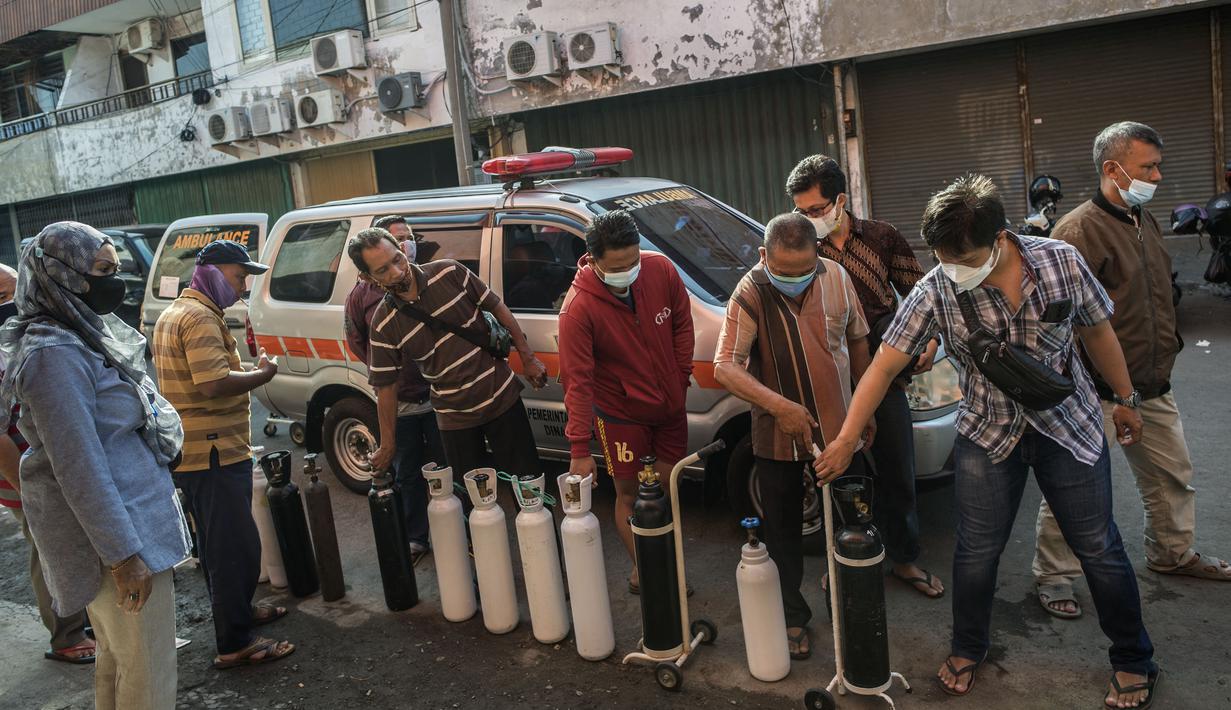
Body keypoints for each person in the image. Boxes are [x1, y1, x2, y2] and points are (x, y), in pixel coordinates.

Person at [815, 175, 1159, 708]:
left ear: (1001, 237)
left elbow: (1097, 332)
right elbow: (883, 368)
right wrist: (845, 438)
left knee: (1098, 547)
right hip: (987, 433)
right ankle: (968, 647)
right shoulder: (937, 287)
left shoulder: (1060, 261)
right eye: (943, 258)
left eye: (963, 257)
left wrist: (1125, 399)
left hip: (1069, 426)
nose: (953, 269)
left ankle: (1134, 658)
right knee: (976, 552)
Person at [1030, 121, 1230, 623]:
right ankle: (1054, 575)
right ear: (1112, 169)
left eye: (1157, 165)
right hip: (1096, 393)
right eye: (1148, 167)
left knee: (1171, 475)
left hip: (1152, 384)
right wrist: (1114, 392)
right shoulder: (1076, 232)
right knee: (1074, 490)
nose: (1158, 176)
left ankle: (1171, 553)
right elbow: (1063, 326)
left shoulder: (1144, 218)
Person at [0, 222, 190, 709]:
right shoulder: (54, 355)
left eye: (116, 269)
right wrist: (123, 556)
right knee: (146, 671)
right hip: (121, 542)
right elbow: (78, 467)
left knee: (119, 662)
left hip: (130, 528)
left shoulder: (79, 336)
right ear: (62, 275)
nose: (114, 281)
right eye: (102, 270)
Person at [713, 212, 872, 661]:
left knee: (853, 523)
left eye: (804, 271)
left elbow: (858, 341)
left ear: (817, 255)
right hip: (777, 436)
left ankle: (843, 600)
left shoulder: (839, 278)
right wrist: (780, 406)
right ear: (764, 257)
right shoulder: (750, 291)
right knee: (782, 532)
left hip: (842, 432)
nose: (796, 281)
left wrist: (864, 406)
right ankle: (793, 616)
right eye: (783, 273)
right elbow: (725, 365)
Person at [786, 155, 944, 599]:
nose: (809, 220)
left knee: (898, 471)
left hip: (885, 374)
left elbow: (922, 295)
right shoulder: (801, 246)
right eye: (801, 212)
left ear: (839, 201)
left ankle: (905, 559)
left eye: (816, 210)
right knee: (841, 477)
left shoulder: (881, 237)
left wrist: (929, 343)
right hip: (828, 380)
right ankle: (847, 559)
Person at [152, 239, 294, 670]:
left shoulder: (176, 310)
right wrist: (260, 374)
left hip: (195, 452)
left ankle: (237, 613)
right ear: (212, 272)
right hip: (212, 451)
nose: (243, 286)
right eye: (239, 276)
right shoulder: (197, 317)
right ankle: (235, 642)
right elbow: (212, 382)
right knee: (235, 547)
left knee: (218, 546)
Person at [349, 228, 549, 489]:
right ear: (367, 278)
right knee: (474, 503)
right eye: (383, 270)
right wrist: (388, 444)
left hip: (502, 398)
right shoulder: (383, 323)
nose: (397, 272)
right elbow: (385, 385)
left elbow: (497, 307)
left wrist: (528, 358)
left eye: (397, 259)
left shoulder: (450, 272)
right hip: (454, 419)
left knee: (529, 488)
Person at [558, 210, 694, 593]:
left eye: (633, 261)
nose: (629, 271)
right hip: (620, 416)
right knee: (631, 495)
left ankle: (659, 563)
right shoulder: (578, 309)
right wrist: (579, 448)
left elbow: (682, 325)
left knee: (666, 490)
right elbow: (578, 383)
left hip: (669, 408)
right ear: (594, 260)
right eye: (617, 266)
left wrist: (679, 377)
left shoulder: (660, 270)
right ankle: (652, 573)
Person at [0, 262, 96, 665]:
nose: (11, 303)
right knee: (48, 550)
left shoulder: (17, 342)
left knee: (71, 546)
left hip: (48, 472)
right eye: (3, 297)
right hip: (23, 476)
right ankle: (66, 636)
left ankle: (81, 620)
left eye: (10, 293)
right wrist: (28, 489)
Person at [344, 215, 444, 564]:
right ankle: (416, 537)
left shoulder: (428, 280)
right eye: (399, 239)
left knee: (448, 469)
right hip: (400, 403)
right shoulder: (361, 298)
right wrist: (389, 370)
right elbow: (357, 341)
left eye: (407, 240)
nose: (405, 247)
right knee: (408, 472)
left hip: (439, 395)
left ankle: (457, 532)